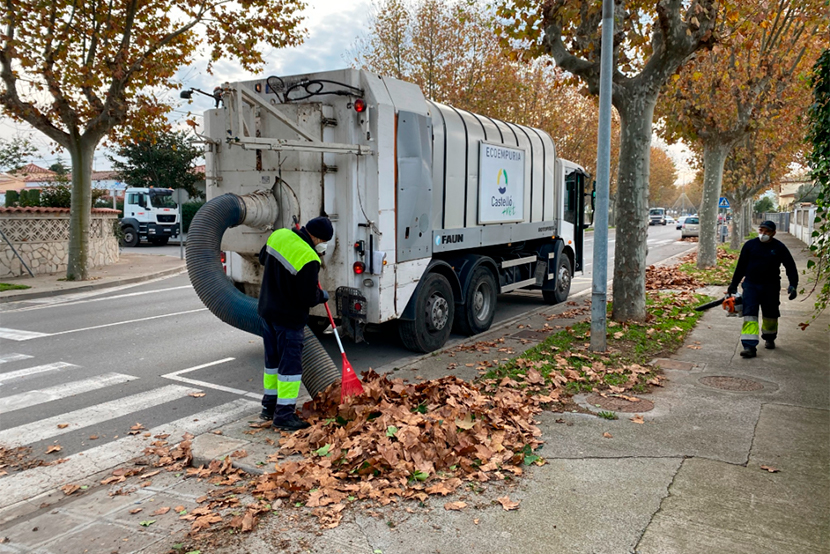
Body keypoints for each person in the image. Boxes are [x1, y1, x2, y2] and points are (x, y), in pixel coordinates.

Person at [258, 217, 333, 431]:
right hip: (288, 319)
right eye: (324, 241)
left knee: (272, 365)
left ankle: (268, 408)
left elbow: (263, 259)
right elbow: (307, 297)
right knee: (289, 369)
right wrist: (323, 295)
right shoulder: (309, 258)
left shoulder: (279, 235)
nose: (323, 245)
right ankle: (284, 415)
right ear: (317, 238)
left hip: (267, 312)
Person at [726, 220, 798, 359]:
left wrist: (793, 284)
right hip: (751, 285)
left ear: (773, 233)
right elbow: (741, 266)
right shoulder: (750, 245)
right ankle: (749, 346)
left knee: (770, 315)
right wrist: (733, 284)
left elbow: (790, 266)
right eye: (761, 230)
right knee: (750, 314)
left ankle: (769, 337)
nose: (763, 234)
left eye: (767, 231)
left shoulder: (779, 247)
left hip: (770, 286)